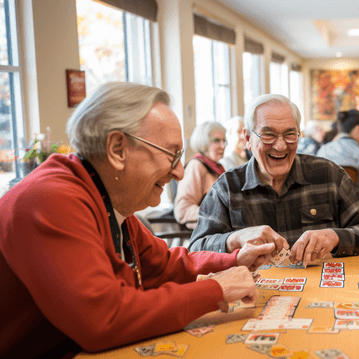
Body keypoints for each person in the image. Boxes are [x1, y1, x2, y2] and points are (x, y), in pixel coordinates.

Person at [0, 82, 275, 357]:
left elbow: (163, 266)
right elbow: (104, 321)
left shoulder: (106, 196)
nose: (180, 172)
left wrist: (234, 260)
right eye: (172, 154)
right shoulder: (50, 200)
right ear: (118, 149)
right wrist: (215, 289)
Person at [188, 94, 359, 267]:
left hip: (324, 295)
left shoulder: (329, 175)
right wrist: (234, 239)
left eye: (290, 134)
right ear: (248, 138)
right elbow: (195, 251)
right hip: (255, 299)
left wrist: (334, 237)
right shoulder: (227, 188)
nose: (281, 146)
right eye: (268, 135)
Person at [173, 121, 227, 229]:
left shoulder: (218, 168)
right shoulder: (196, 166)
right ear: (204, 142)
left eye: (224, 141)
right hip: (205, 236)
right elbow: (182, 210)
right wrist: (218, 214)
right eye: (216, 140)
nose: (222, 146)